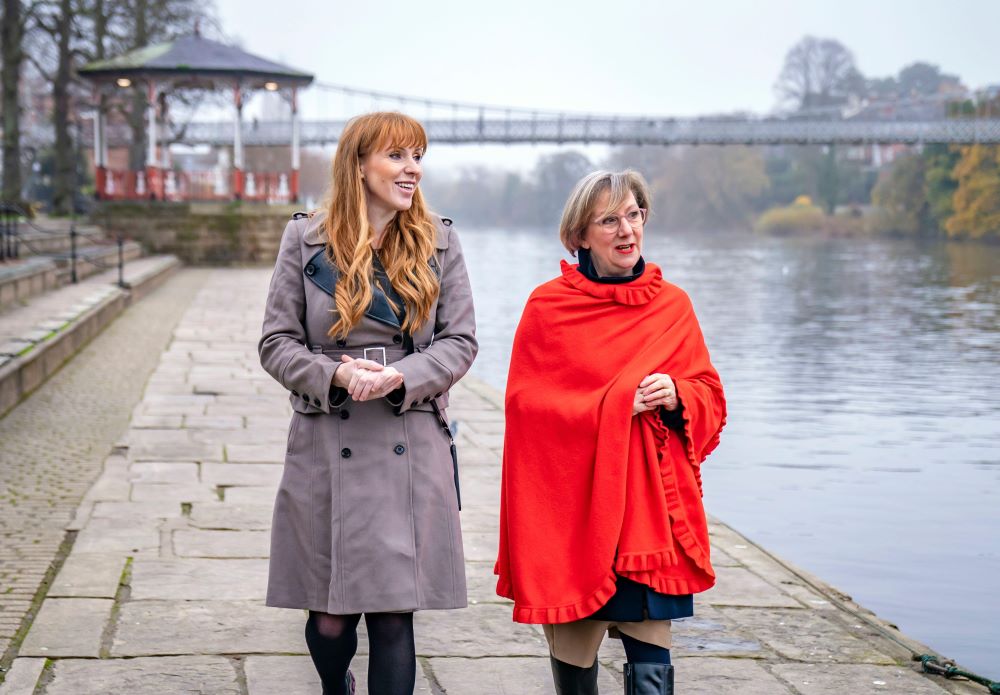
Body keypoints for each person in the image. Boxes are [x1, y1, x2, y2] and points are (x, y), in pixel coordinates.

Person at [259, 112, 477, 695]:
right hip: (328, 438)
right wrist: (333, 373)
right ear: (358, 165)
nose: (413, 170)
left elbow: (460, 342)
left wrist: (400, 377)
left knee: (391, 614)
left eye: (418, 157)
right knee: (329, 623)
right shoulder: (304, 239)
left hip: (408, 437)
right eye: (397, 156)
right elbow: (275, 343)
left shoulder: (439, 240)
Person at [495, 170, 726, 695]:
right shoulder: (548, 308)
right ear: (579, 235)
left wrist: (678, 396)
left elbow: (709, 395)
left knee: (652, 661)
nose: (627, 231)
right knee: (575, 659)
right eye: (609, 220)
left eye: (634, 215)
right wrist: (616, 405)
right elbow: (526, 408)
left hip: (648, 517)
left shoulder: (674, 306)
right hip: (575, 515)